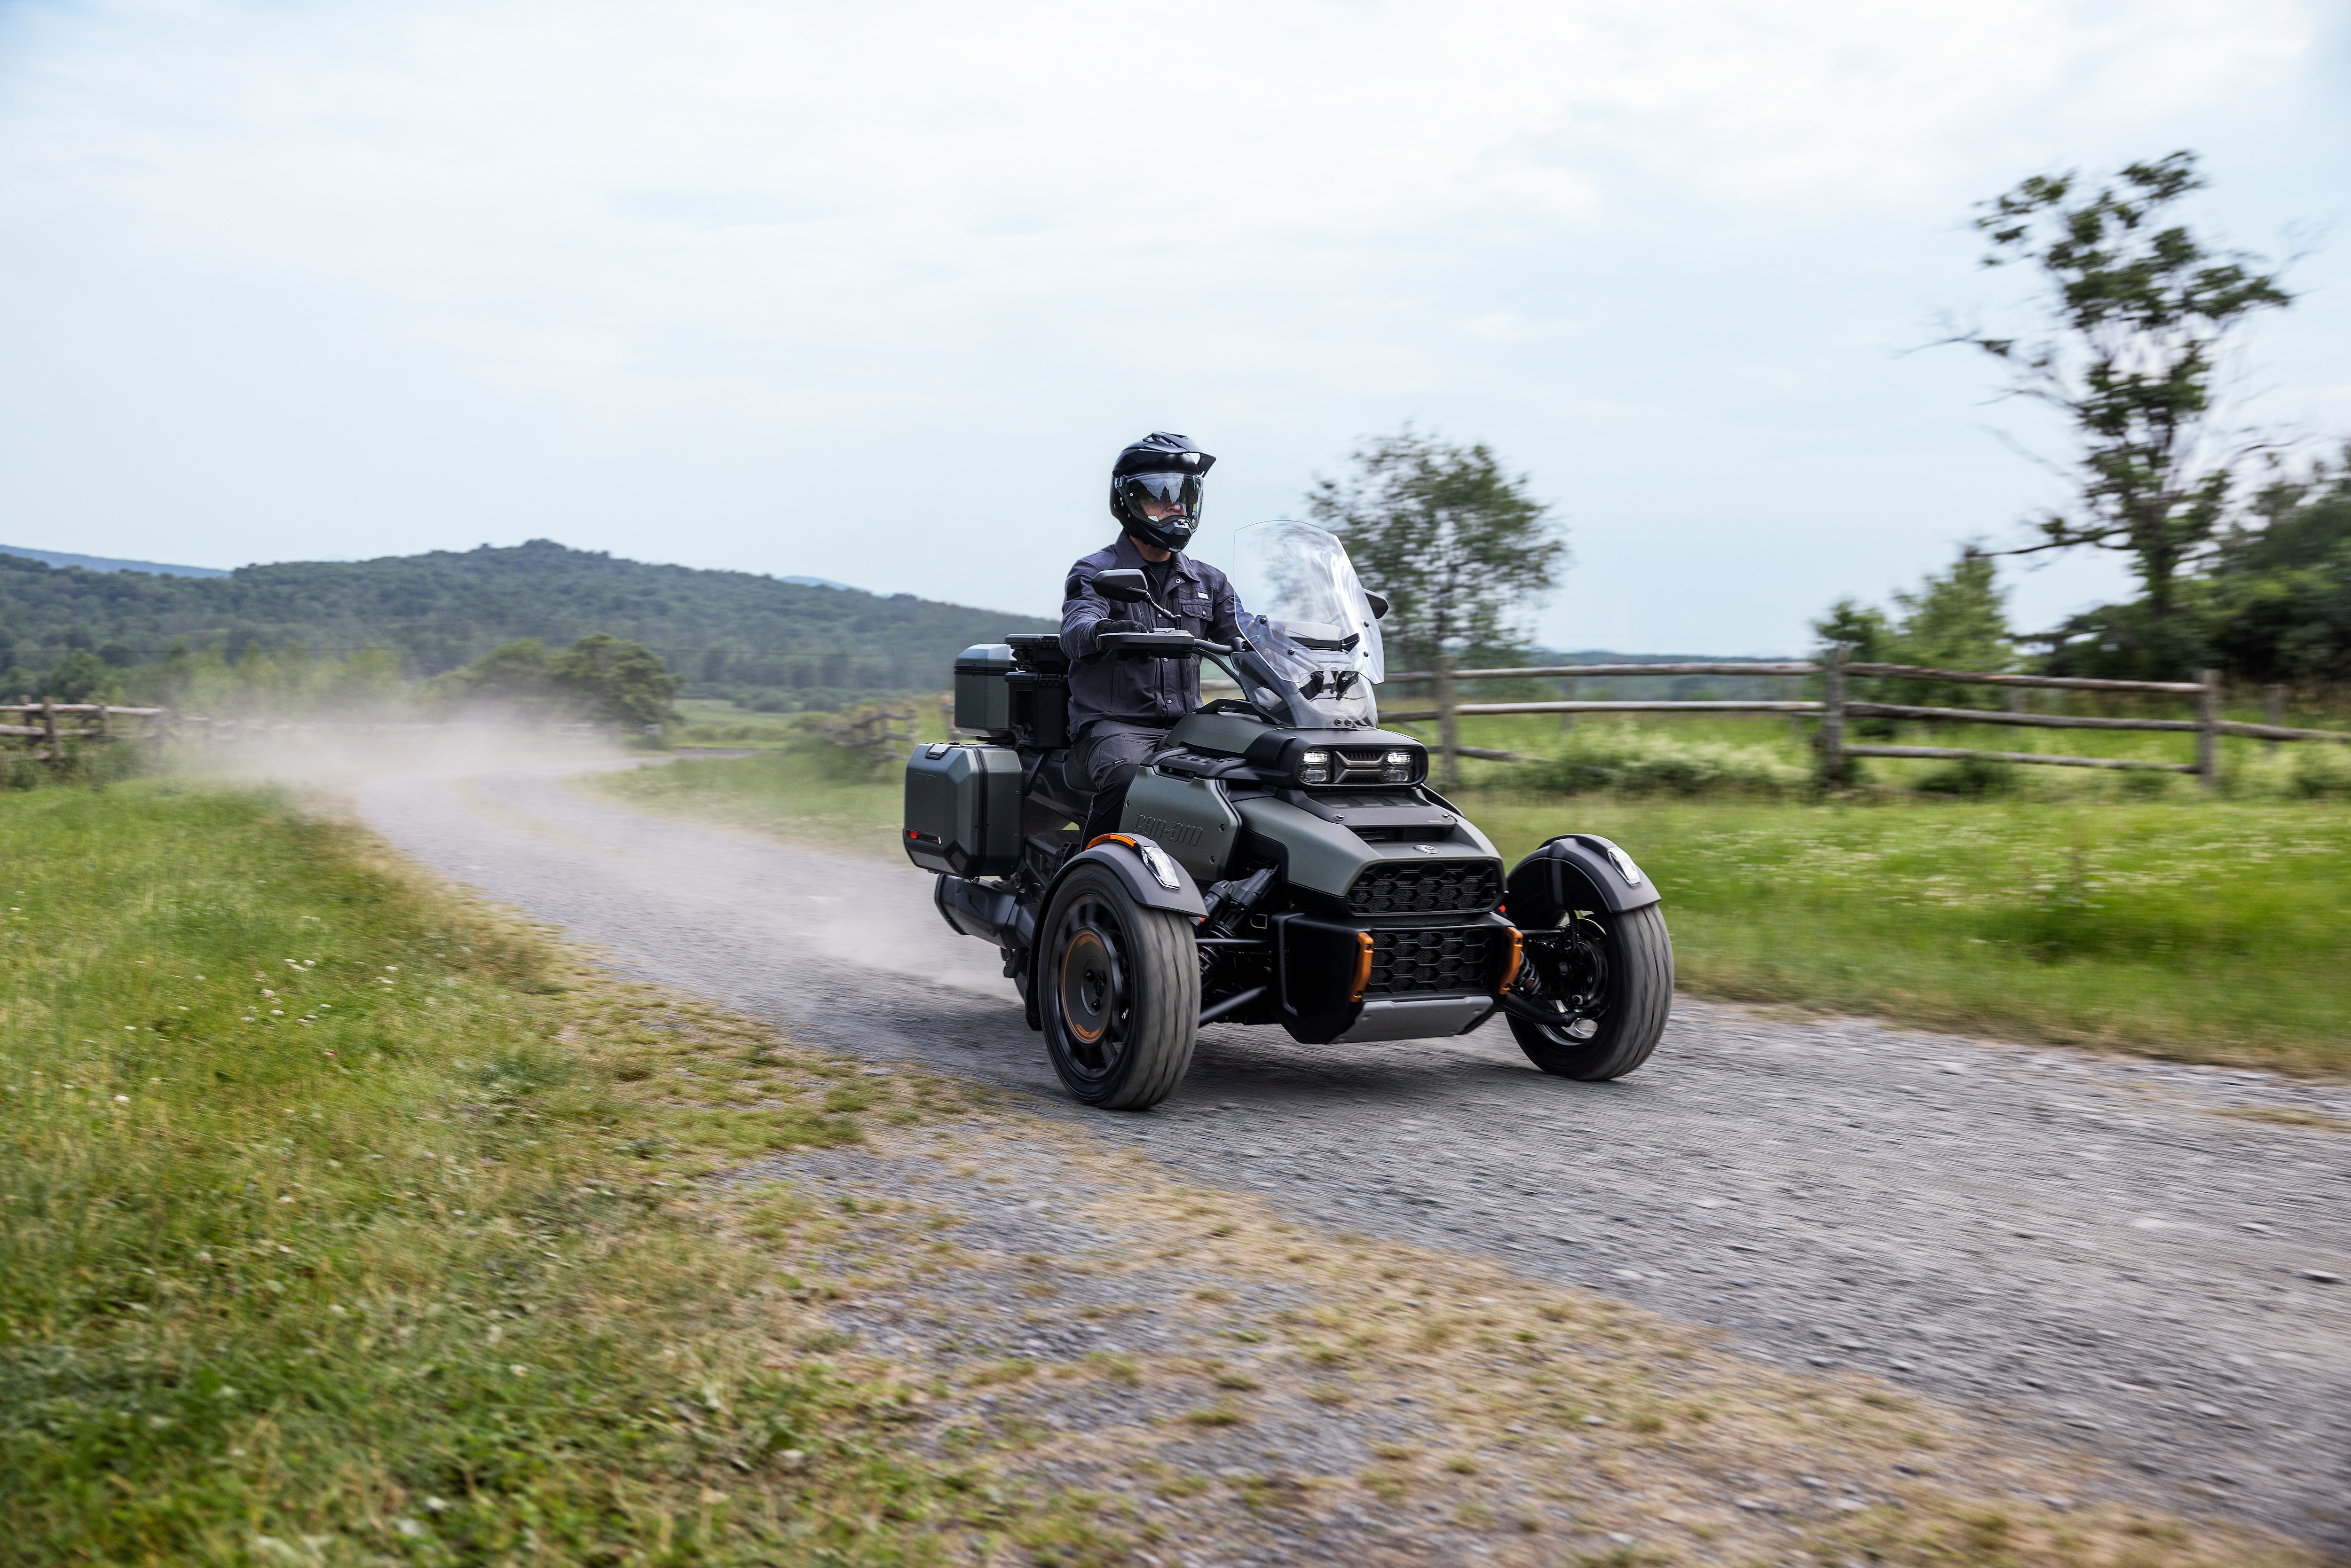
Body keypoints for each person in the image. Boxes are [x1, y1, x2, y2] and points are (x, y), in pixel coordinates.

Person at [1060, 431, 1244, 844]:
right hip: (1114, 727)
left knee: (1258, 777)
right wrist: (1104, 631)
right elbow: (1077, 627)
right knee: (1131, 781)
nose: (1176, 505)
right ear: (1129, 501)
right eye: (1161, 495)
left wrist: (1309, 636)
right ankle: (1082, 887)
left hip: (1188, 728)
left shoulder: (1208, 581)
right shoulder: (1096, 572)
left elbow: (1249, 634)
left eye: (1184, 494)